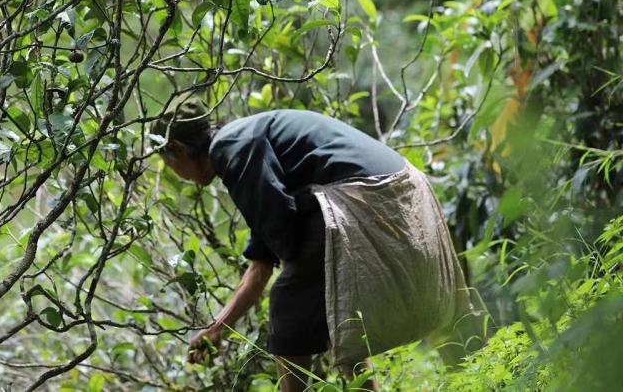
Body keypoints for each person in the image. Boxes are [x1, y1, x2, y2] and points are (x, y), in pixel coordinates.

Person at [153, 96, 481, 392]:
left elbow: (280, 232)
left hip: (369, 194)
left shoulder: (230, 145)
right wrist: (216, 328)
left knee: (287, 309)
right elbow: (262, 261)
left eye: (169, 163)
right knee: (337, 314)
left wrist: (224, 323)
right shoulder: (241, 142)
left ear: (179, 150)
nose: (175, 172)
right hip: (408, 188)